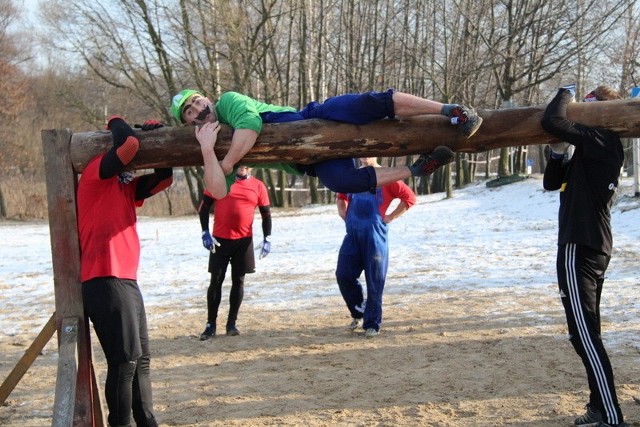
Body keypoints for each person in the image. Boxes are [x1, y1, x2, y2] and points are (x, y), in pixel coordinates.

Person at [171, 88, 480, 198]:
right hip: (312, 161)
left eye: (197, 101)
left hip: (316, 118)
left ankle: (449, 110)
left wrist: (224, 163)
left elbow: (250, 126)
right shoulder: (209, 143)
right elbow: (218, 192)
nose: (198, 109)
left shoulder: (227, 103)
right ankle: (418, 170)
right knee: (342, 182)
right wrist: (208, 151)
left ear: (207, 98)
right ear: (187, 123)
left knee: (368, 105)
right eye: (189, 111)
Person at [77, 117, 173, 427]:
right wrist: (118, 121)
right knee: (124, 361)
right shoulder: (95, 173)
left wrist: (160, 135)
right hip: (103, 279)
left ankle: (147, 421)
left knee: (141, 359)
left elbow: (165, 177)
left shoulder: (124, 187)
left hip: (126, 280)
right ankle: (121, 423)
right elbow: (129, 145)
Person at [541, 85, 627, 427]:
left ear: (602, 113)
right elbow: (551, 182)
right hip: (588, 244)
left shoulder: (602, 140)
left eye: (586, 109)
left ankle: (610, 414)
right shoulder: (593, 147)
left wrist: (567, 92)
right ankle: (598, 407)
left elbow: (553, 119)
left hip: (581, 244)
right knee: (585, 333)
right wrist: (559, 154)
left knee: (585, 336)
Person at [335, 157, 416, 338]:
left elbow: (409, 198)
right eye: (361, 154)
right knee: (343, 274)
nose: (364, 157)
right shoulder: (352, 176)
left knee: (375, 281)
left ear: (376, 155)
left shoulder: (387, 177)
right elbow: (341, 197)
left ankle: (372, 323)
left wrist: (390, 217)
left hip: (375, 237)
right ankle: (358, 311)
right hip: (352, 236)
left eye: (368, 154)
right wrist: (344, 214)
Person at [197, 165, 272, 340]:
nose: (243, 167)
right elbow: (204, 207)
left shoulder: (259, 186)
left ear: (252, 166)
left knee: (239, 281)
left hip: (244, 241)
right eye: (240, 163)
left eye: (247, 164)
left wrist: (268, 237)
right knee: (216, 280)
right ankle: (210, 324)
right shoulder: (220, 180)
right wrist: (204, 232)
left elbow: (266, 214)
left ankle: (231, 323)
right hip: (220, 240)